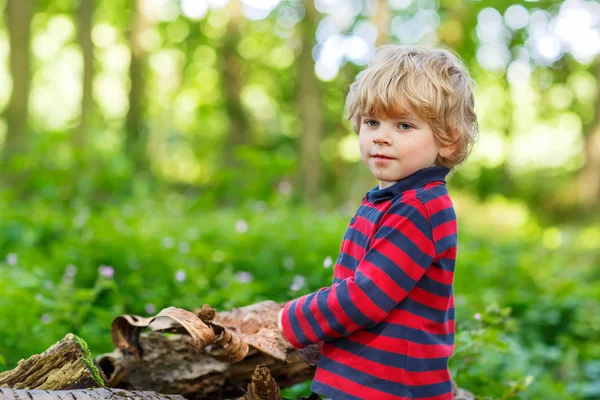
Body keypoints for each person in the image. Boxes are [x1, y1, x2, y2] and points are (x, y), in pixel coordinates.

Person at [277, 44, 479, 400]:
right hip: (364, 379)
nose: (381, 136)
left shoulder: (420, 208)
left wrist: (293, 318)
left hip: (389, 387)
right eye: (372, 122)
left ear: (448, 139)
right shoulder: (391, 199)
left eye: (404, 125)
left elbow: (366, 296)